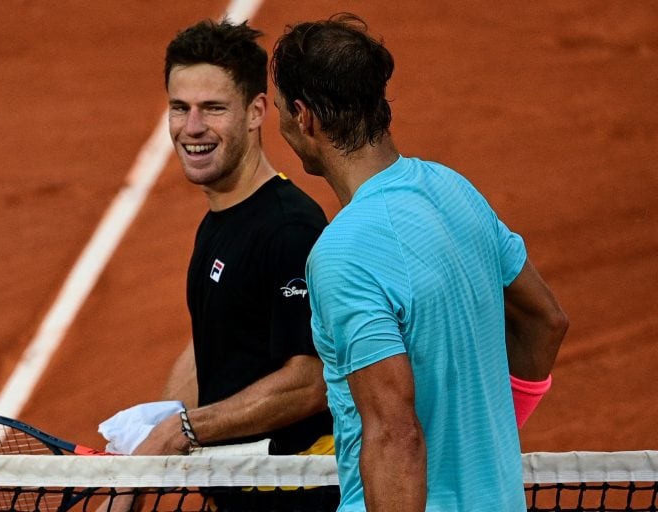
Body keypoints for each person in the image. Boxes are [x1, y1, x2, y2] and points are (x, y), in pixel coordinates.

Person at [271, 13, 569, 511]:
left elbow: (394, 436)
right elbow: (546, 322)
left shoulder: (343, 252)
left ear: (305, 117)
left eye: (281, 109)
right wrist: (479, 441)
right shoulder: (455, 190)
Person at [104, 17, 336, 512]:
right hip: (239, 494)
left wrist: (181, 432)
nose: (191, 128)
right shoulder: (221, 220)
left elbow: (309, 381)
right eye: (179, 108)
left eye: (213, 109)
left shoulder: (289, 230)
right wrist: (142, 465)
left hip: (297, 496)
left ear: (255, 113)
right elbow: (214, 341)